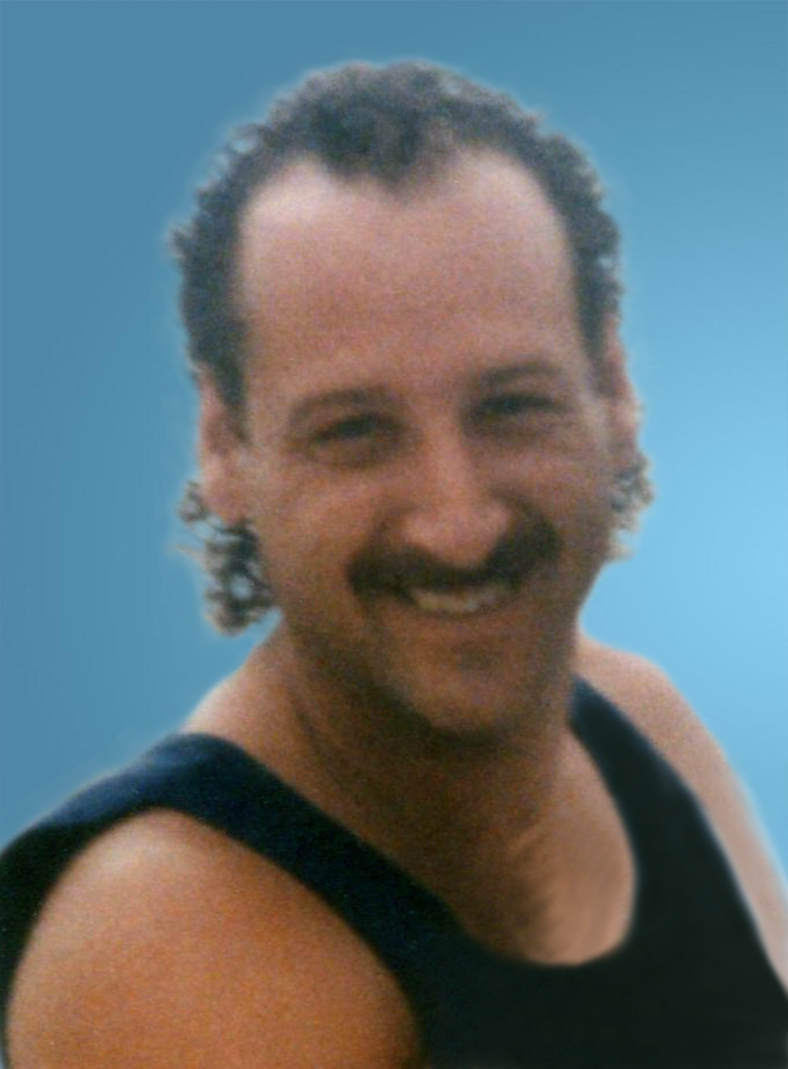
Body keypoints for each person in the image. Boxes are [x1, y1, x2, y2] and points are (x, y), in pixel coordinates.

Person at [2, 61, 787, 1069]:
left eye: (511, 405)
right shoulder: (169, 942)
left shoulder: (634, 718)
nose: (457, 523)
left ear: (612, 391)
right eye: (355, 431)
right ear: (225, 446)